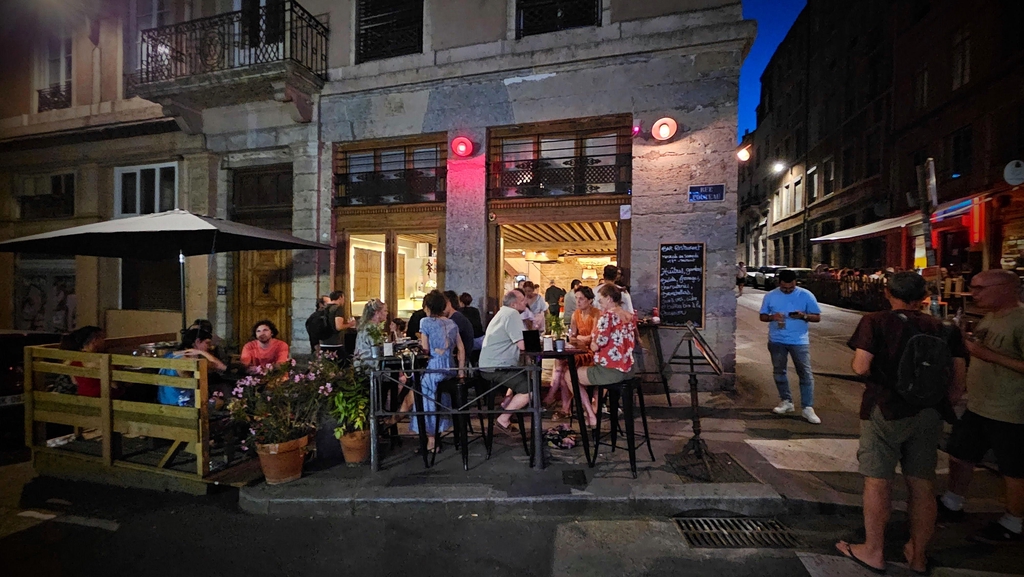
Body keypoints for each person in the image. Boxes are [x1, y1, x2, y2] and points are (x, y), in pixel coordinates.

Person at [837, 272, 967, 574]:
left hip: (885, 408)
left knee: (878, 481)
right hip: (930, 412)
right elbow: (958, 386)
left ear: (888, 293)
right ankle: (918, 555)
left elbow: (860, 367)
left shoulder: (876, 321)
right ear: (923, 296)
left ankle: (873, 551)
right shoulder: (946, 328)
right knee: (922, 483)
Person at [938, 269, 1024, 543]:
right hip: (979, 404)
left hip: (1010, 408)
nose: (973, 294)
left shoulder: (1020, 320)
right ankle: (953, 502)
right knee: (960, 454)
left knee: (1013, 469)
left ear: (1005, 288)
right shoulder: (991, 316)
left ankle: (1014, 522)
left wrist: (986, 354)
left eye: (980, 288)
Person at [759, 269, 823, 424]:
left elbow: (817, 317)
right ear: (779, 283)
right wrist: (772, 317)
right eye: (784, 288)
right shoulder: (770, 296)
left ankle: (808, 407)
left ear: (796, 283)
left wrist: (803, 316)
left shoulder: (806, 295)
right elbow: (762, 316)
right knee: (779, 372)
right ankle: (786, 401)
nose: (787, 290)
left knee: (805, 373)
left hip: (799, 341)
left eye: (791, 288)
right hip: (777, 340)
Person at [408, 290, 464, 452]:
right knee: (437, 395)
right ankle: (437, 432)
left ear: (427, 306)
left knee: (422, 392)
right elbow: (461, 349)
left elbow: (425, 350)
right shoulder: (452, 323)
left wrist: (418, 347)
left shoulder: (425, 322)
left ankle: (431, 439)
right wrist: (461, 372)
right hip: (450, 369)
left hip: (434, 368)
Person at [575, 283, 637, 428]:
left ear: (609, 298)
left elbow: (596, 344)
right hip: (628, 370)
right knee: (590, 376)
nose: (600, 303)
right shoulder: (629, 315)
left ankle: (591, 415)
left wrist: (590, 343)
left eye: (601, 300)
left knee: (569, 375)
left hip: (611, 370)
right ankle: (595, 409)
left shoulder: (607, 316)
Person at [544, 285, 600, 423]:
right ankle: (564, 406)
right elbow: (573, 336)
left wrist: (581, 338)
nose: (578, 301)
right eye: (576, 298)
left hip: (592, 352)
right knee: (562, 364)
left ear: (590, 300)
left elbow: (594, 337)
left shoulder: (597, 314)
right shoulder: (576, 314)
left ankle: (558, 403)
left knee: (565, 367)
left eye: (581, 299)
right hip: (579, 350)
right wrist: (580, 338)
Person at [479, 290, 530, 433]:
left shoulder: (502, 312)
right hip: (497, 367)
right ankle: (503, 418)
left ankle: (507, 403)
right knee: (530, 390)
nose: (525, 302)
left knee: (523, 375)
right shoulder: (512, 314)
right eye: (522, 300)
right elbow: (523, 345)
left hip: (489, 365)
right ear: (514, 304)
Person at [157, 327, 227, 407]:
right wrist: (201, 352)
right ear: (197, 342)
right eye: (207, 343)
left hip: (163, 403)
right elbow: (219, 366)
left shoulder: (169, 355)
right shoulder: (188, 361)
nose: (210, 347)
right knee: (220, 401)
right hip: (181, 405)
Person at [67, 326, 114, 398]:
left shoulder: (72, 360)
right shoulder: (99, 361)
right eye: (102, 338)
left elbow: (75, 382)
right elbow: (115, 384)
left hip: (83, 396)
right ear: (94, 340)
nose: (104, 341)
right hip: (104, 398)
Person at [353, 298, 388, 371]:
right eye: (385, 311)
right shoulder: (372, 328)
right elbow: (378, 349)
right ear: (377, 313)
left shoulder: (365, 326)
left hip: (360, 364)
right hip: (370, 366)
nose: (387, 313)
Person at [320, 291, 356, 355]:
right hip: (335, 342)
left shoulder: (324, 308)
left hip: (323, 342)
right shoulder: (338, 308)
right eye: (343, 298)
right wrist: (351, 324)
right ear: (340, 297)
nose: (344, 301)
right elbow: (339, 327)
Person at [443, 290, 474, 363]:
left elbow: (447, 343)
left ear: (448, 303)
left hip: (458, 361)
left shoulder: (456, 320)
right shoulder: (457, 317)